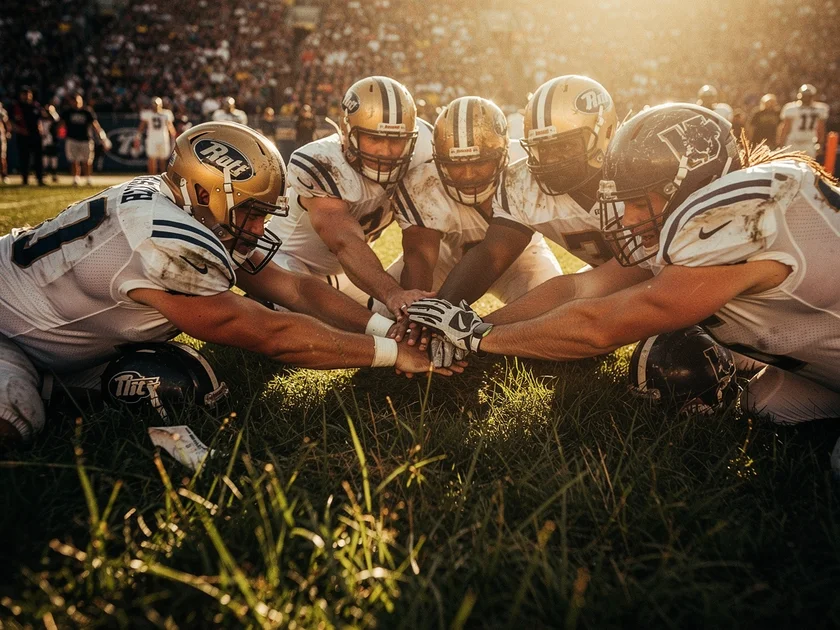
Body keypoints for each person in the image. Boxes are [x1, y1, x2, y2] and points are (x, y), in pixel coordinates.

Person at [0, 122, 457, 445]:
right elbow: (269, 333)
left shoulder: (178, 206)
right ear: (205, 191)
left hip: (49, 330)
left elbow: (294, 289)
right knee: (14, 419)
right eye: (252, 211)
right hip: (8, 329)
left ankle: (53, 381)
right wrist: (398, 355)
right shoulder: (164, 235)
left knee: (177, 383)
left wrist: (383, 326)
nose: (257, 228)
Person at [408, 103, 840, 425]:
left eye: (638, 202)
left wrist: (481, 338)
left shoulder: (735, 213)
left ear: (693, 183)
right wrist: (469, 323)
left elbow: (602, 326)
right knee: (763, 408)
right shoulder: (710, 217)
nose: (628, 219)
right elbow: (581, 289)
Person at [433, 76, 617, 308]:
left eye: (566, 146)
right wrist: (441, 309)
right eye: (543, 148)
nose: (553, 159)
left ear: (605, 132)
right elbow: (492, 256)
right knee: (566, 314)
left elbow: (645, 267)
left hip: (666, 273)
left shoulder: (639, 170)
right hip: (618, 277)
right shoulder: (522, 183)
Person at [265, 76, 435, 321]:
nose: (386, 152)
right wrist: (392, 292)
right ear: (346, 132)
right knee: (295, 316)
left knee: (395, 318)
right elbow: (342, 240)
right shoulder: (323, 162)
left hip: (345, 274)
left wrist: (412, 301)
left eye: (396, 140)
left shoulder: (423, 150)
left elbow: (420, 235)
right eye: (374, 138)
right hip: (286, 261)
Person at [388, 96, 561, 309]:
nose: (468, 175)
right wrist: (416, 312)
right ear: (438, 160)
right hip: (447, 258)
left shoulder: (527, 165)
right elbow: (420, 256)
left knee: (554, 311)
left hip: (522, 257)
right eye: (456, 164)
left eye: (479, 162)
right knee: (392, 310)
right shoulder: (423, 183)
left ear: (503, 154)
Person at [60, 93, 110, 186]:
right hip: (72, 138)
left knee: (87, 161)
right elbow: (61, 124)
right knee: (74, 160)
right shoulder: (67, 112)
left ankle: (88, 178)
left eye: (78, 100)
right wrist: (60, 133)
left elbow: (95, 125)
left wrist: (101, 136)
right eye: (74, 101)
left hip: (85, 139)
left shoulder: (87, 112)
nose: (76, 103)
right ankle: (76, 178)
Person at [779, 84, 829, 159]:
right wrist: (820, 144)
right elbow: (821, 129)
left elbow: (785, 128)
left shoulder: (791, 108)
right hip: (804, 143)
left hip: (800, 142)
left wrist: (781, 143)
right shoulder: (820, 109)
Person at [10, 87, 45, 186]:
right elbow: (12, 121)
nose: (26, 96)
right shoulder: (16, 106)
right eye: (24, 94)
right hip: (23, 135)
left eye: (28, 94)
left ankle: (39, 179)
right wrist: (20, 130)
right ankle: (25, 179)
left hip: (36, 135)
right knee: (24, 158)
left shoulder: (36, 106)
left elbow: (41, 118)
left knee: (38, 158)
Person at [135, 97, 176, 175]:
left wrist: (173, 136)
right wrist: (137, 136)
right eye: (154, 105)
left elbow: (171, 127)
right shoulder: (148, 114)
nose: (155, 107)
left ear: (161, 105)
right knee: (152, 158)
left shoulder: (166, 114)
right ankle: (152, 176)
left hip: (163, 137)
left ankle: (162, 177)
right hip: (152, 138)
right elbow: (142, 126)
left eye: (156, 105)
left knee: (162, 158)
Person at [39, 105, 61, 183]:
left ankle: (54, 174)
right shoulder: (41, 119)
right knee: (45, 157)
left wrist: (52, 111)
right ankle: (44, 173)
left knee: (53, 157)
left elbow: (57, 120)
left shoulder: (53, 119)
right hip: (44, 141)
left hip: (52, 141)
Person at [0, 101, 11, 184]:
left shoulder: (1, 111)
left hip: (0, 136)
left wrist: (7, 132)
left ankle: (4, 174)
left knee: (2, 157)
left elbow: (7, 123)